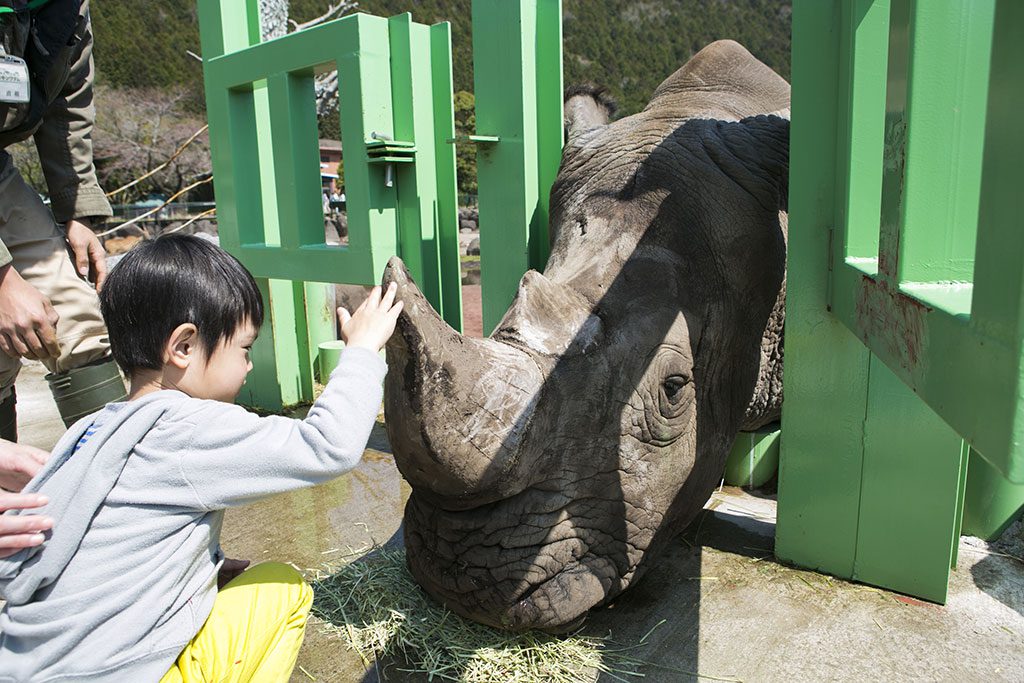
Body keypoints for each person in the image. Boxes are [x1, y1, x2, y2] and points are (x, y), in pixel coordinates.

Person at [0, 234, 403, 681]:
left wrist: (195, 570)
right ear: (184, 346)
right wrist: (362, 353)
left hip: (27, 664)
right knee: (281, 590)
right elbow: (328, 445)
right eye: (244, 349)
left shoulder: (91, 429)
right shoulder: (187, 426)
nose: (249, 366)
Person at [0, 0, 126, 440]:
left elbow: (69, 104)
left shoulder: (68, 7)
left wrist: (76, 210)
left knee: (73, 321)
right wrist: (2, 281)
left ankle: (120, 482)